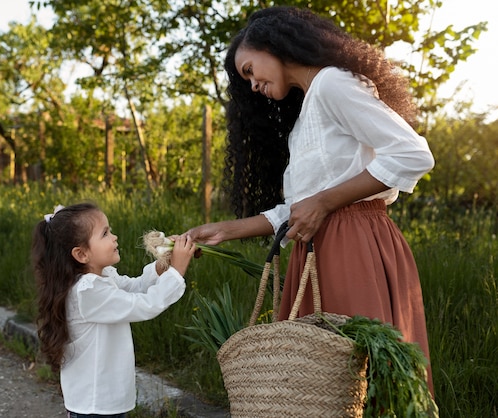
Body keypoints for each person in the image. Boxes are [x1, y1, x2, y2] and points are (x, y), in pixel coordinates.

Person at [182, 6, 435, 392]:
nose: (251, 85)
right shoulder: (308, 111)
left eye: (250, 70)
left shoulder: (333, 84)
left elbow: (412, 154)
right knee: (324, 389)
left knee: (358, 384)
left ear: (273, 45)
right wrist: (227, 230)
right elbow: (302, 204)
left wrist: (324, 203)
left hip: (353, 246)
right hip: (320, 247)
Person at [32, 202, 196, 417]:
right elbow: (145, 304)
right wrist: (177, 270)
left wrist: (163, 266)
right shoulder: (87, 291)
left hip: (105, 399)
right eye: (105, 234)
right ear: (81, 254)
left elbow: (135, 287)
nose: (114, 237)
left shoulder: (101, 277)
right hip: (96, 404)